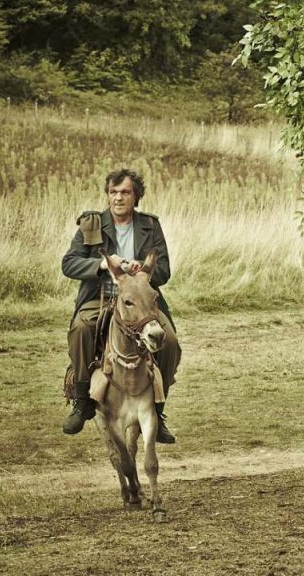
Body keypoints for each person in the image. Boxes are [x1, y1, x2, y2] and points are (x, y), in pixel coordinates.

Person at [61, 169, 181, 442]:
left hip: (140, 302)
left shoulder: (150, 225)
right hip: (100, 297)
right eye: (113, 192)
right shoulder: (91, 223)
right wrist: (102, 265)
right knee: (81, 329)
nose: (118, 198)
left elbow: (163, 270)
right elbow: (69, 264)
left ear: (136, 196)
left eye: (125, 192)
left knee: (170, 341)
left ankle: (158, 411)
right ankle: (82, 401)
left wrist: (143, 270)